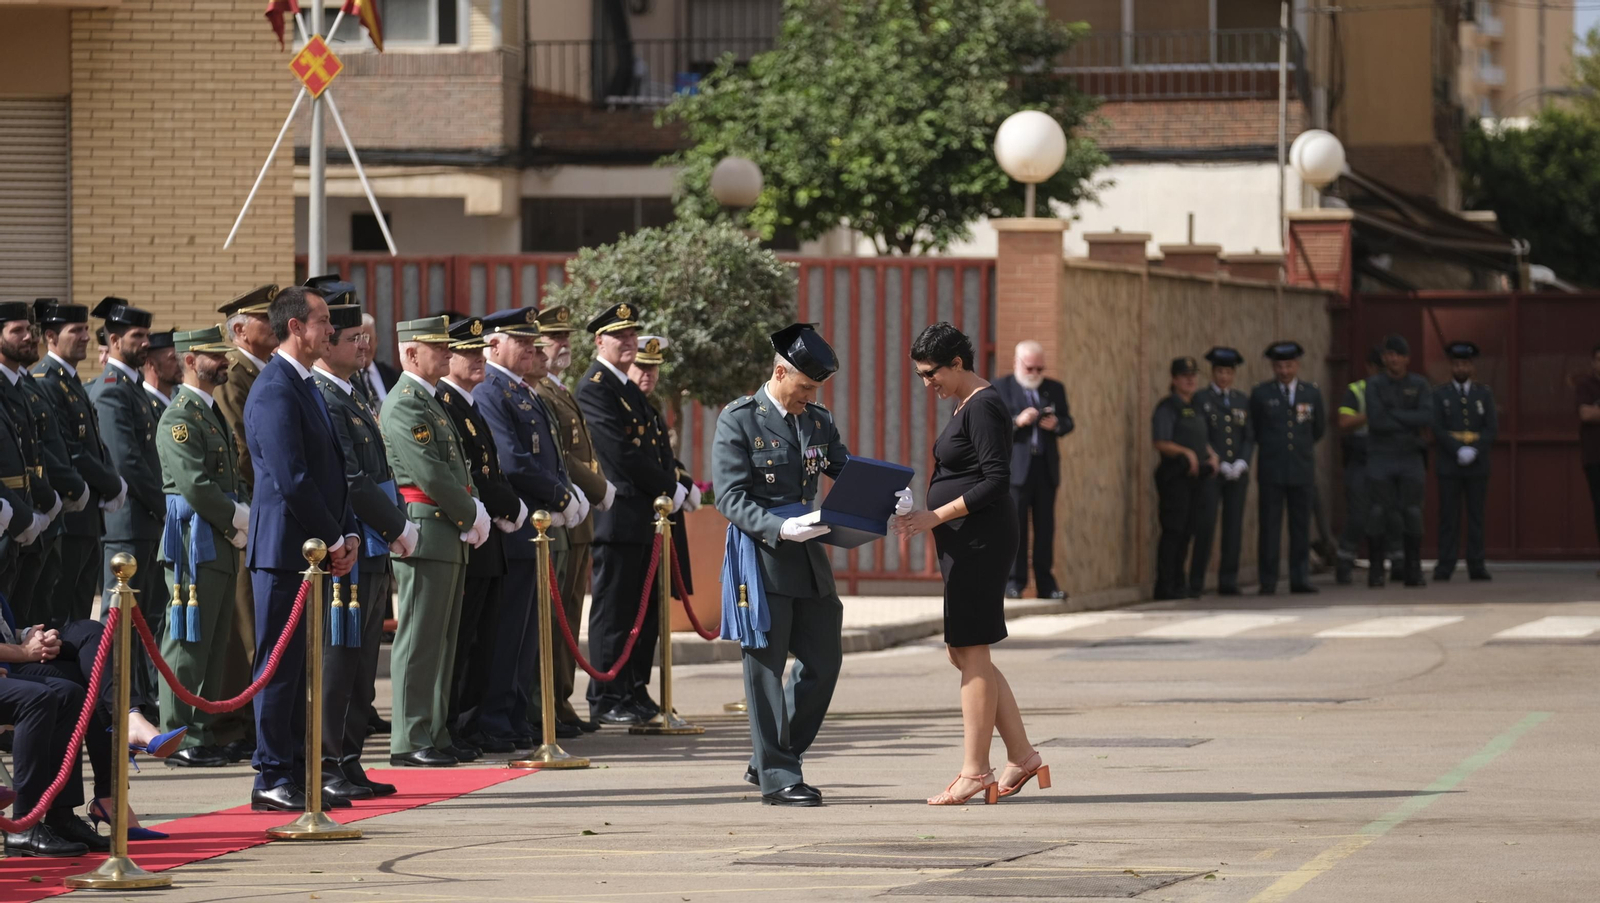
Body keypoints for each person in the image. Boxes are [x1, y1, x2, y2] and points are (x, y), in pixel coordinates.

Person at [892, 322, 1043, 806]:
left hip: (982, 542)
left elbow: (996, 480)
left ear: (958, 364)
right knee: (963, 651)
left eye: (931, 373)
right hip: (966, 541)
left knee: (970, 648)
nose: (926, 383)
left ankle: (976, 771)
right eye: (920, 375)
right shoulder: (966, 403)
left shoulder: (984, 404)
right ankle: (1022, 756)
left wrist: (934, 514)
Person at [713, 323, 855, 807]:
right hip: (762, 560)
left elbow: (844, 467)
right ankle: (777, 776)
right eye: (805, 387)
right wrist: (777, 528)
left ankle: (772, 755)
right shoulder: (739, 420)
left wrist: (884, 493)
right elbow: (729, 497)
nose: (810, 397)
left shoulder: (816, 419)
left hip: (810, 558)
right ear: (780, 372)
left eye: (816, 390)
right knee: (764, 671)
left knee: (824, 662)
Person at [243, 285, 360, 811]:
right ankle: (270, 775)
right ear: (295, 327)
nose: (329, 330)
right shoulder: (274, 389)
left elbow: (333, 471)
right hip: (284, 549)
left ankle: (292, 770)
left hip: (312, 549)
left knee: (297, 668)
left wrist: (349, 532)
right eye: (322, 320)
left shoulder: (305, 383)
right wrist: (334, 538)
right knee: (277, 667)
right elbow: (291, 478)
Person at [312, 302, 413, 799]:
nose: (363, 345)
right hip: (348, 545)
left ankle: (349, 759)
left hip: (372, 545)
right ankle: (327, 764)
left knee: (361, 664)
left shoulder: (351, 394)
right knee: (338, 661)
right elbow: (352, 478)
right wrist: (397, 525)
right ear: (326, 344)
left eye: (363, 337)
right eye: (352, 338)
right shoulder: (325, 397)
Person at [381, 316, 489, 767]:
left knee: (444, 638)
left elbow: (456, 469)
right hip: (426, 525)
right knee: (420, 638)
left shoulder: (430, 400)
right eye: (438, 347)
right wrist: (471, 511)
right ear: (410, 354)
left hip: (447, 528)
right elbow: (428, 473)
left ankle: (435, 729)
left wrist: (473, 506)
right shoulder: (406, 402)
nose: (448, 353)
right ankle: (409, 737)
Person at [474, 308, 582, 746]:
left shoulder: (522, 390)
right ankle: (497, 717)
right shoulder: (490, 389)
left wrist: (564, 493)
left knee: (527, 632)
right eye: (521, 341)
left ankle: (516, 714)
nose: (532, 349)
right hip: (517, 523)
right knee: (507, 631)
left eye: (532, 342)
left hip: (537, 526)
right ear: (494, 345)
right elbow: (513, 461)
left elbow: (546, 455)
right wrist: (560, 496)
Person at [578, 302, 685, 726]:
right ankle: (606, 695)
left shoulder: (624, 387)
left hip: (642, 515)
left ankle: (631, 690)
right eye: (618, 336)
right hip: (618, 516)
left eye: (630, 335)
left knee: (639, 612)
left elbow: (650, 450)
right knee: (614, 610)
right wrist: (669, 486)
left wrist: (674, 483)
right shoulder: (596, 387)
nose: (626, 342)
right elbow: (620, 455)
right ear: (599, 341)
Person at [152, 325, 251, 769]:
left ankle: (203, 730)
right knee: (187, 639)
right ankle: (179, 735)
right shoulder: (179, 417)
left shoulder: (207, 413)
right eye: (215, 356)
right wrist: (237, 519)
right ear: (191, 361)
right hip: (195, 537)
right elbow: (195, 485)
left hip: (219, 536)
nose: (224, 361)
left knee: (212, 642)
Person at [437, 315, 529, 754]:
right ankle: (454, 724)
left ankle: (473, 724)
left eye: (479, 351)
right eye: (468, 353)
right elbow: (470, 474)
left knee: (483, 638)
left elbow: (491, 468)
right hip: (467, 534)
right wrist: (511, 505)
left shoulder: (469, 402)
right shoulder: (446, 403)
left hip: (488, 535)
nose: (478, 360)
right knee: (464, 640)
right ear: (446, 356)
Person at [534, 305, 613, 733]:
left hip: (577, 518)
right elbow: (561, 456)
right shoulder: (541, 390)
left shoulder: (557, 388)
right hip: (562, 514)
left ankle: (561, 700)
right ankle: (551, 702)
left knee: (569, 615)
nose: (562, 344)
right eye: (553, 338)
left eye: (565, 337)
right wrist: (599, 489)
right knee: (555, 616)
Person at [212, 283, 279, 760]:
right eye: (265, 320)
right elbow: (244, 452)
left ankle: (258, 720)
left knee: (262, 622)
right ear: (240, 330)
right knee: (248, 626)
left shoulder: (263, 373)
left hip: (266, 510)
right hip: (248, 511)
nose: (274, 328)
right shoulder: (234, 377)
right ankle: (246, 722)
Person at [88, 297, 166, 701]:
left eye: (147, 336)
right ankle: (115, 700)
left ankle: (137, 698)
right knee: (120, 619)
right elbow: (129, 464)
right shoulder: (112, 391)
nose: (146, 343)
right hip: (128, 524)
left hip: (145, 522)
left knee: (145, 619)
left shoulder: (134, 390)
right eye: (138, 336)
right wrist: (165, 507)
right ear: (114, 340)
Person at [32, 300, 124, 625]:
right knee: (60, 618)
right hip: (69, 518)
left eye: (86, 329)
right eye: (77, 330)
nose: (86, 336)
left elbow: (94, 443)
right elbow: (68, 450)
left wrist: (113, 480)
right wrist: (111, 484)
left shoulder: (70, 380)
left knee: (80, 619)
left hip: (87, 520)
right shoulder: (46, 381)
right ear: (51, 337)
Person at [0, 303, 71, 626]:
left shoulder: (17, 385)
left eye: (29, 329)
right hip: (11, 520)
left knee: (23, 624)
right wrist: (23, 514)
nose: (29, 336)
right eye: (17, 330)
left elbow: (31, 455)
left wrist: (47, 502)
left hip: (26, 517)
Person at [991, 340, 1073, 599]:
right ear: (1017, 364)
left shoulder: (1054, 389)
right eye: (1030, 368)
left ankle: (1046, 585)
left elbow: (1069, 422)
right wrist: (1017, 421)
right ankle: (1014, 583)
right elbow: (992, 426)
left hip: (1045, 469)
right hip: (1017, 470)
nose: (1036, 374)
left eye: (1040, 369)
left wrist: (1057, 424)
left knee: (1045, 528)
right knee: (1015, 528)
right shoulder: (1001, 388)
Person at [628, 335, 700, 628]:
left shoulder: (649, 408)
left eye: (653, 368)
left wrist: (684, 479)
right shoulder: (628, 408)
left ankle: (642, 676)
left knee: (653, 614)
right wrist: (675, 484)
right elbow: (635, 460)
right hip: (638, 517)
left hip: (659, 519)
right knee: (634, 611)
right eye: (642, 367)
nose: (649, 374)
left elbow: (663, 458)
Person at [1249, 341, 1325, 595]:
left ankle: (1299, 577)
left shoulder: (1310, 393)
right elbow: (1256, 430)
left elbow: (1317, 429)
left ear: (1297, 365)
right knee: (1270, 527)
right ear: (1273, 366)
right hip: (1272, 469)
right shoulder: (1261, 394)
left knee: (1300, 526)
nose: (1284, 371)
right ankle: (1268, 580)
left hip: (1301, 469)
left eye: (1288, 365)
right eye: (1279, 366)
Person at [1365, 334, 1433, 588]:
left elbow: (1426, 416)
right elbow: (1376, 420)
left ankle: (1413, 569)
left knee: (1413, 511)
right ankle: (1376, 570)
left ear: (1406, 358)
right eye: (1388, 354)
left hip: (1409, 455)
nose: (1392, 359)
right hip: (1380, 455)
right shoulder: (1374, 385)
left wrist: (1393, 414)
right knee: (1378, 510)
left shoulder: (1420, 384)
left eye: (1397, 354)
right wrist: (1407, 419)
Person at [1151, 356, 1218, 601]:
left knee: (1188, 531)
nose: (1190, 380)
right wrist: (1185, 452)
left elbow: (1202, 439)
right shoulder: (1167, 407)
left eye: (1193, 376)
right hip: (1175, 476)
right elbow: (1160, 442)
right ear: (1174, 379)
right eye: (1184, 376)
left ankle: (1180, 583)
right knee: (1173, 531)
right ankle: (1165, 585)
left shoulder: (1197, 406)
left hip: (1196, 478)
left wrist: (1210, 455)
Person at [1190, 347, 1252, 597]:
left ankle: (1228, 579)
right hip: (1213, 471)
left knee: (1233, 526)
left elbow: (1249, 435)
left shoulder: (1241, 400)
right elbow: (1200, 432)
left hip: (1236, 472)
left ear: (1234, 374)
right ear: (1213, 372)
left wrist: (1242, 462)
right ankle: (1196, 581)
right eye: (1219, 372)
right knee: (1205, 525)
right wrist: (1216, 458)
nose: (1224, 377)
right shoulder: (1202, 399)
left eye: (1228, 372)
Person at [1433, 341, 1496, 581]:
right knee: (1449, 516)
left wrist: (1474, 450)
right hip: (1450, 463)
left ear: (1472, 367)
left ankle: (1476, 564)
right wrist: (1458, 449)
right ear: (1451, 366)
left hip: (1477, 464)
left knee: (1476, 516)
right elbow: (1437, 427)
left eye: (1465, 364)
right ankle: (1445, 564)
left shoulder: (1484, 394)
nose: (1461, 368)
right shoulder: (1440, 394)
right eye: (1457, 364)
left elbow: (1491, 429)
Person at [1334, 347, 1399, 584]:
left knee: (1392, 511)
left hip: (1391, 456)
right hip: (1362, 457)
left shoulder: (1399, 389)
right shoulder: (1357, 391)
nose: (1382, 374)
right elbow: (1343, 421)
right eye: (1378, 369)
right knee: (1359, 513)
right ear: (1369, 368)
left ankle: (1397, 561)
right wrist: (1372, 414)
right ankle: (1344, 560)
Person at [1575, 344, 1600, 576]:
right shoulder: (1586, 386)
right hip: (1595, 458)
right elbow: (1586, 414)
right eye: (1599, 359)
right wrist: (1593, 411)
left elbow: (1595, 413)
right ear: (1593, 362)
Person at [353, 314, 399, 406]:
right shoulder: (348, 377)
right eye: (359, 340)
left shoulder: (391, 375)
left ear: (376, 341)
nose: (365, 346)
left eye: (368, 339)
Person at [141, 330, 180, 416]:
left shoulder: (178, 400)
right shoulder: (142, 404)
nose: (180, 364)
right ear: (151, 363)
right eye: (173, 358)